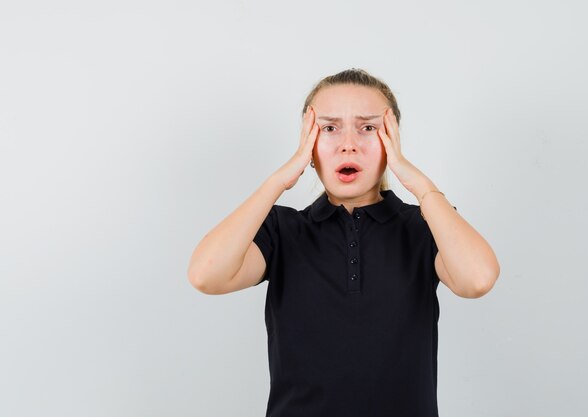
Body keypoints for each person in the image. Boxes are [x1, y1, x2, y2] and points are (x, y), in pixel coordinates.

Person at [187, 68, 500, 417]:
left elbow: (477, 279)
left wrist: (420, 185)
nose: (348, 143)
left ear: (392, 139)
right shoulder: (282, 229)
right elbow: (206, 275)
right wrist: (278, 181)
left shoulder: (425, 225)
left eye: (368, 128)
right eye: (329, 128)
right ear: (307, 142)